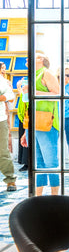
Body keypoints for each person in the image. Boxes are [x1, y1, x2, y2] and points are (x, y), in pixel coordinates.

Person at [21, 53, 60, 195]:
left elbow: (57, 95)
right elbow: (28, 104)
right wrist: (26, 131)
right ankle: (38, 196)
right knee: (38, 163)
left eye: (32, 56)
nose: (27, 58)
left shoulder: (46, 73)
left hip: (47, 124)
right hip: (33, 124)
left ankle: (55, 196)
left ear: (41, 60)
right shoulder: (32, 76)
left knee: (50, 162)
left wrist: (33, 91)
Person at [0, 61, 16, 192]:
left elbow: (11, 95)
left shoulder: (1, 80)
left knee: (3, 151)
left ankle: (10, 180)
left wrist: (2, 97)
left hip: (0, 120)